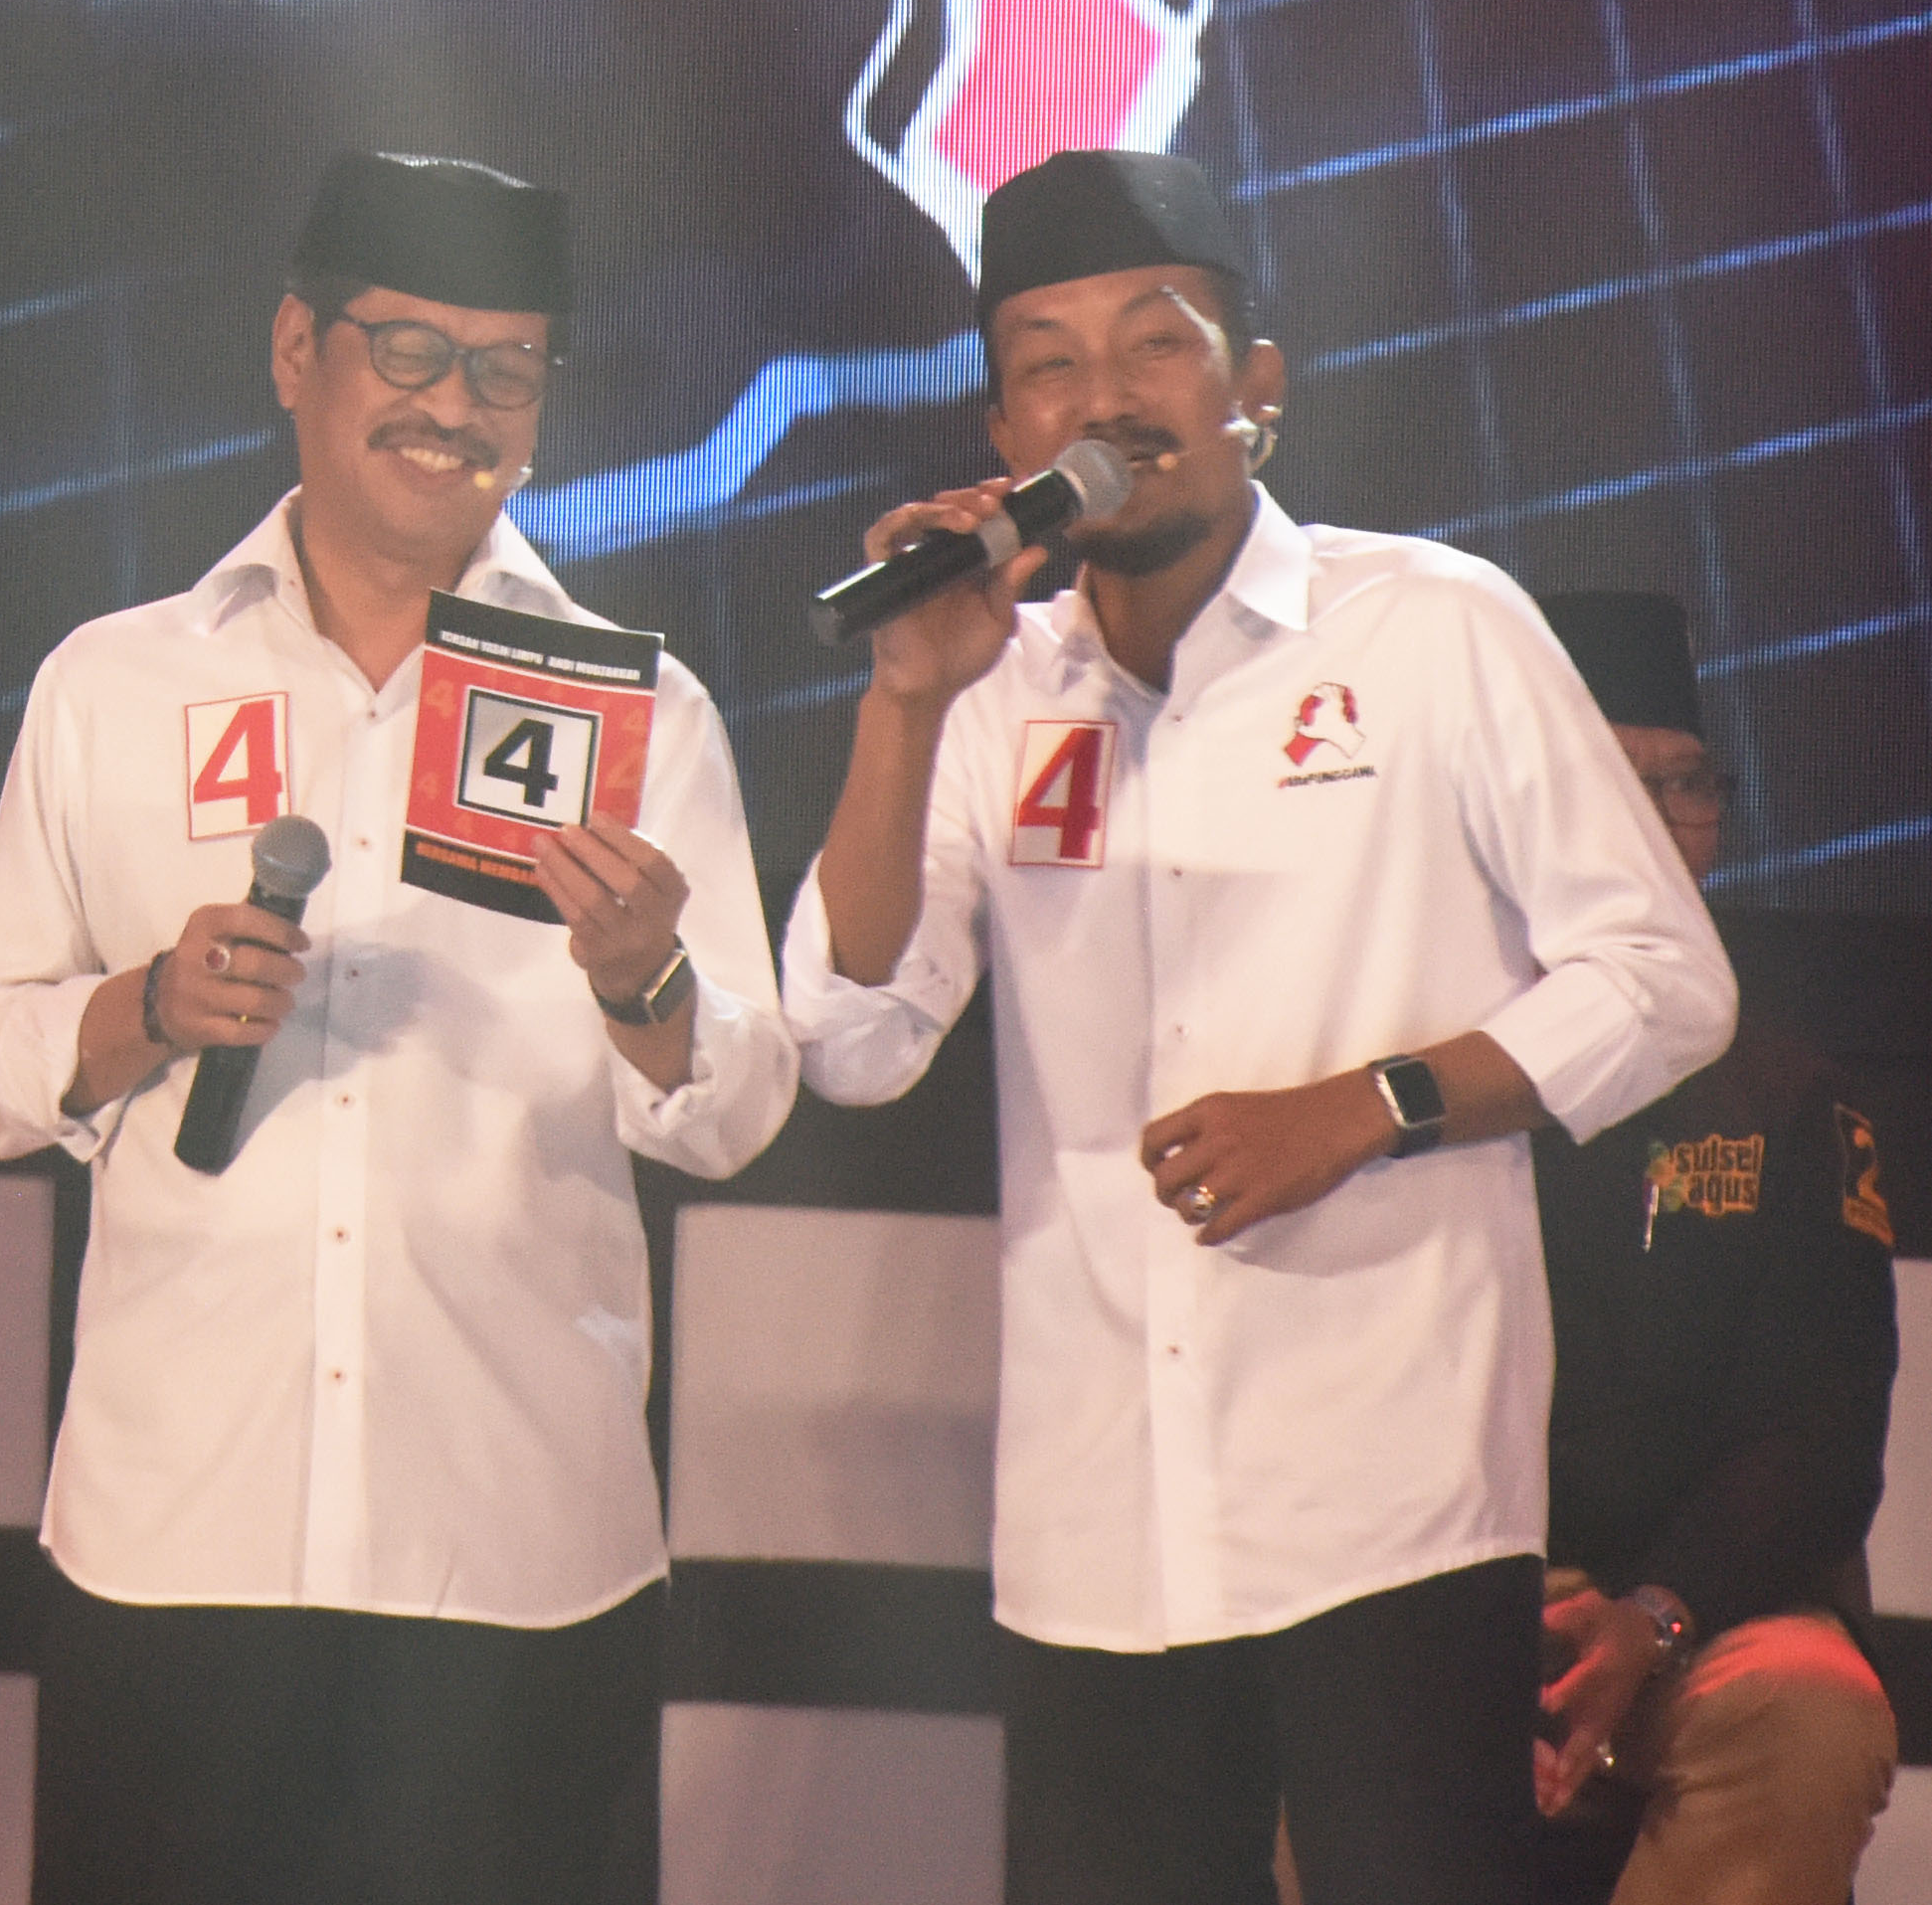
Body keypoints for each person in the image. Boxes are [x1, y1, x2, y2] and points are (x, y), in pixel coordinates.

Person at [785, 148, 1735, 1905]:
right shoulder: (989, 686)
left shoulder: (1430, 626)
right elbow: (850, 1037)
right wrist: (904, 701)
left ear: (1257, 386)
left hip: (1388, 1503)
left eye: (1155, 342)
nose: (1104, 397)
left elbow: (1663, 978)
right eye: (1048, 363)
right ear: (1005, 431)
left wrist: (1370, 1103)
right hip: (1095, 1521)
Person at [0, 146, 791, 1905]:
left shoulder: (636, 708)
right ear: (292, 350)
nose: (451, 405)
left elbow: (733, 1107)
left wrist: (642, 975)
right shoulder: (118, 680)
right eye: (405, 349)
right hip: (176, 1533)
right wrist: (144, 1005)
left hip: (511, 1536)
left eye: (503, 367)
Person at [1515, 593, 1892, 1905]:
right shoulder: (1430, 1066)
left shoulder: (1782, 1089)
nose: (1664, 820)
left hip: (1700, 1607)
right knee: (1311, 1690)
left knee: (1810, 1711)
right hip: (1455, 1596)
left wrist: (1654, 1614)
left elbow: (1820, 1428)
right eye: (1618, 785)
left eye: (1686, 784)